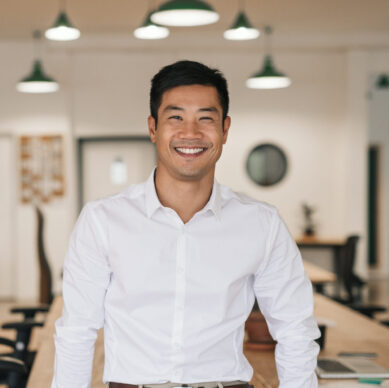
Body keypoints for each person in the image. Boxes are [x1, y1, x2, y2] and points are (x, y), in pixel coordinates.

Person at [52, 60, 320, 388]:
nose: (190, 133)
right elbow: (76, 332)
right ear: (153, 127)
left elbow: (295, 330)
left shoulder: (262, 224)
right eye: (175, 117)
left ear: (225, 129)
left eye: (205, 118)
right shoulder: (102, 221)